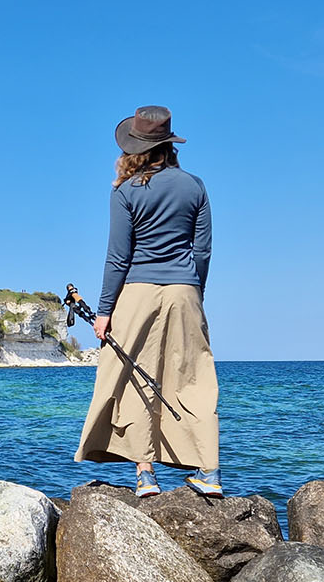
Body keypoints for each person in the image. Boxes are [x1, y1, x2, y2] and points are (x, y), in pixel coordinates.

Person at [75, 105, 220, 498]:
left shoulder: (125, 192)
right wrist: (194, 292)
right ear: (169, 144)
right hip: (185, 292)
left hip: (136, 293)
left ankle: (145, 475)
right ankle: (209, 472)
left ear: (134, 148)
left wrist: (104, 311)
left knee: (133, 378)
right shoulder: (196, 186)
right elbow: (202, 251)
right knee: (193, 379)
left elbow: (118, 257)